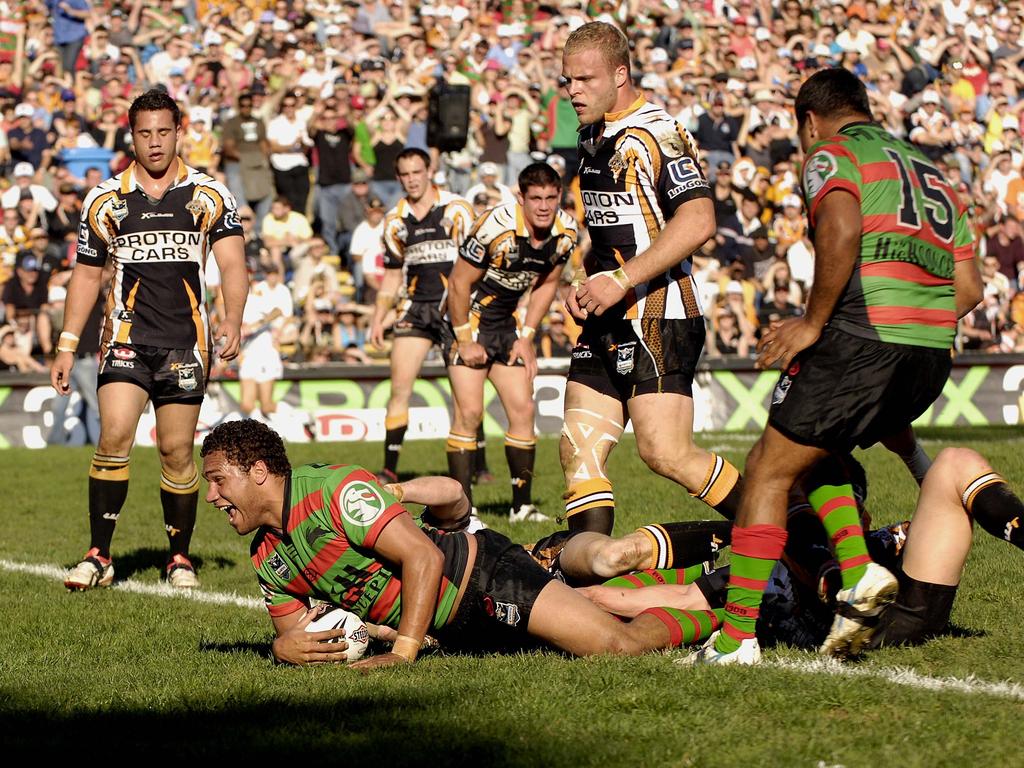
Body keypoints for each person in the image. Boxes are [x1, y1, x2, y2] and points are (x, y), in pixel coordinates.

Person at [695, 68, 984, 665]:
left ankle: (736, 638)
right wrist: (915, 326)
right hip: (929, 358)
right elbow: (971, 288)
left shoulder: (831, 152)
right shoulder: (936, 174)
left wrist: (814, 322)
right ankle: (857, 570)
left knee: (768, 471)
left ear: (808, 120)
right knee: (816, 452)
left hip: (862, 339)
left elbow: (843, 225)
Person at [199, 419, 726, 668]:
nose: (212, 496)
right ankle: (702, 589)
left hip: (484, 577)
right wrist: (283, 647)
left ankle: (727, 601)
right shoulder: (266, 556)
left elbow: (424, 554)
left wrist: (403, 651)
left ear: (260, 472)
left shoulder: (336, 489)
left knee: (616, 645)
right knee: (599, 608)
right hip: (453, 628)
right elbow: (302, 635)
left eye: (219, 480)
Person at [53, 89, 248, 592]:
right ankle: (100, 554)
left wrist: (234, 319)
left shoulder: (210, 194)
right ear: (131, 136)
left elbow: (231, 263)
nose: (155, 142)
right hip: (125, 337)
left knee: (178, 451)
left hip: (187, 342)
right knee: (115, 434)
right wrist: (67, 343)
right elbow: (86, 276)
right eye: (145, 133)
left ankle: (178, 557)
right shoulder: (105, 199)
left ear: (179, 132)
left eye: (164, 132)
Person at [560, 22, 743, 534]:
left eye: (584, 79)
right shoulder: (591, 133)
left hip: (660, 314)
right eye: (567, 80)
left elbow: (700, 219)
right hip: (608, 315)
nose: (573, 91)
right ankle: (587, 580)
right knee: (578, 446)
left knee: (666, 454)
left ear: (621, 74)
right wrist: (586, 281)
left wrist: (620, 280)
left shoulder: (655, 132)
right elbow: (611, 228)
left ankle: (793, 542)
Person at [443, 162, 577, 523]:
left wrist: (528, 335)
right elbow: (457, 284)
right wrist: (464, 339)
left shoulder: (566, 232)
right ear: (521, 197)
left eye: (551, 197)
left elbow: (549, 282)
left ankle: (521, 507)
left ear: (560, 195)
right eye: (536, 198)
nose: (544, 206)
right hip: (466, 320)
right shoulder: (494, 226)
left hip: (506, 325)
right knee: (469, 414)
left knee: (523, 411)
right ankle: (462, 514)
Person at [368, 148, 475, 485]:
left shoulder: (457, 210)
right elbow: (392, 274)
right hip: (414, 309)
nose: (412, 179)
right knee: (399, 387)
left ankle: (478, 463)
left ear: (430, 171)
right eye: (405, 174)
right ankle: (388, 468)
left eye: (417, 172)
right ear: (398, 177)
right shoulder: (394, 221)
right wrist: (378, 316)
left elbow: (476, 264)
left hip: (454, 309)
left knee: (465, 391)